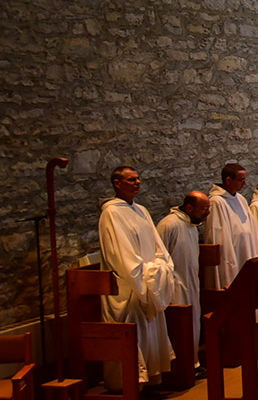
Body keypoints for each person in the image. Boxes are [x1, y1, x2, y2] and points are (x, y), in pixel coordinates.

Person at [97, 166, 178, 388]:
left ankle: (149, 382)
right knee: (135, 338)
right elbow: (122, 256)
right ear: (117, 183)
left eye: (138, 179)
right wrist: (146, 274)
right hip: (130, 287)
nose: (137, 183)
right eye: (131, 180)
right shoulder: (111, 213)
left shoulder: (141, 210)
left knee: (150, 336)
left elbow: (158, 246)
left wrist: (160, 267)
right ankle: (126, 386)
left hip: (149, 283)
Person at [156, 190, 208, 352]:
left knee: (193, 324)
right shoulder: (169, 225)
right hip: (175, 286)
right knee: (181, 327)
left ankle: (194, 362)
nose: (208, 212)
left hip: (190, 282)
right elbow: (158, 257)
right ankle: (183, 367)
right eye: (204, 208)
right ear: (189, 208)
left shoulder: (190, 224)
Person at [205, 163, 258, 289]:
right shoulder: (216, 202)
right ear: (228, 180)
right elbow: (219, 237)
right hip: (233, 256)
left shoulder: (241, 199)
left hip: (247, 252)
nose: (244, 184)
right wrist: (229, 264)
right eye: (241, 180)